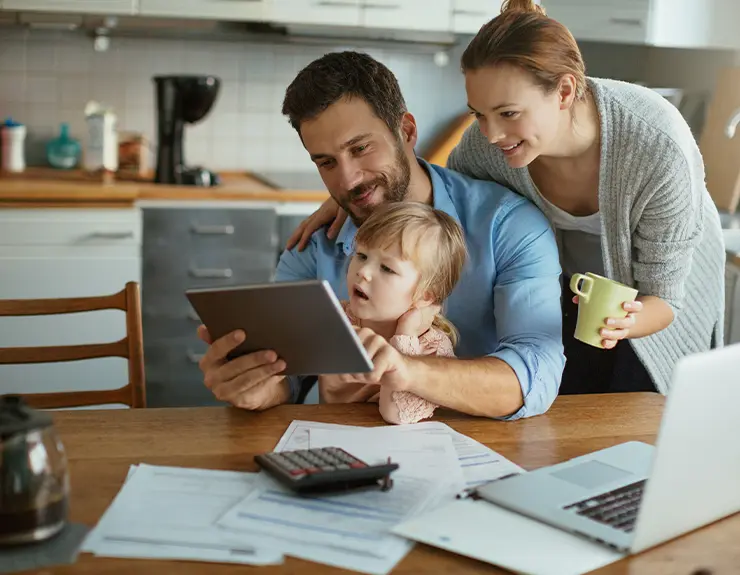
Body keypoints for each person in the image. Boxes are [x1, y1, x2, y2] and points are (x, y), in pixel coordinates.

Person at [287, 1, 726, 397]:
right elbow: (438, 198)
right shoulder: (488, 146)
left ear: (566, 92)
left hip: (654, 302)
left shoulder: (655, 145)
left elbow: (666, 297)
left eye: (508, 114)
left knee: (645, 413)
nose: (492, 133)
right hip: (573, 296)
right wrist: (353, 197)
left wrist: (626, 321)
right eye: (480, 114)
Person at [197, 51, 565, 420]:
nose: (348, 180)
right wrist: (256, 386)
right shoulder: (312, 247)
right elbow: (288, 376)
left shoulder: (508, 226)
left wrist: (407, 371)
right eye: (326, 162)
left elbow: (536, 373)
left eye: (360, 148)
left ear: (406, 131)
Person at [319, 202, 465, 424]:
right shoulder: (338, 318)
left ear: (425, 296)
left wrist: (404, 337)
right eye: (361, 255)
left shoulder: (432, 348)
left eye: (387, 268)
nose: (363, 272)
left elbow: (394, 414)